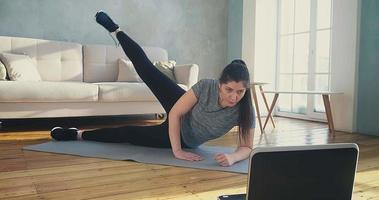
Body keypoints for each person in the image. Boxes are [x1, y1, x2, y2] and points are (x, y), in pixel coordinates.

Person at [50, 11, 256, 167]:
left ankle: (76, 134)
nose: (234, 96)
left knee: (128, 133)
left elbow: (246, 147)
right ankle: (116, 30)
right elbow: (176, 112)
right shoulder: (206, 86)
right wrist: (177, 151)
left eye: (240, 92)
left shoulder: (244, 110)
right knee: (147, 70)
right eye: (229, 89)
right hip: (181, 112)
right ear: (220, 83)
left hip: (186, 138)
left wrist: (232, 156)